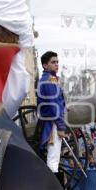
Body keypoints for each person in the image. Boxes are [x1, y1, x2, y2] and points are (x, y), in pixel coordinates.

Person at [37, 51, 67, 182]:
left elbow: (55, 101)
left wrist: (65, 107)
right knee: (53, 160)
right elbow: (53, 105)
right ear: (45, 65)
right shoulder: (49, 80)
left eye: (57, 62)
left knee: (53, 158)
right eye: (53, 62)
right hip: (52, 123)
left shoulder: (50, 78)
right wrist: (60, 126)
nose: (56, 64)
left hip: (51, 120)